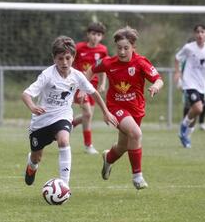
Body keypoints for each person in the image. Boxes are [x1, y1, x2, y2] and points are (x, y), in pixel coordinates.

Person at [22, 36, 118, 190]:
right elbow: (26, 94)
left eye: (68, 58)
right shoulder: (47, 75)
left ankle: (64, 185)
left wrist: (106, 112)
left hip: (63, 116)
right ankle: (32, 165)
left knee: (64, 141)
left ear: (73, 57)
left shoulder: (77, 76)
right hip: (41, 121)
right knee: (36, 156)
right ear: (54, 58)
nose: (64, 62)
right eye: (60, 58)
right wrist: (33, 106)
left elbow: (94, 93)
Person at [86, 26, 164, 190]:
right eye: (119, 48)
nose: (122, 52)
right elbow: (90, 70)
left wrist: (155, 87)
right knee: (136, 134)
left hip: (136, 109)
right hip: (115, 107)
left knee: (123, 146)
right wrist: (82, 89)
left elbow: (158, 79)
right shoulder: (108, 62)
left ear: (133, 47)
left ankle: (108, 158)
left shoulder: (141, 62)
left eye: (126, 48)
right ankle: (137, 176)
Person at [174, 24, 205, 148]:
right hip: (189, 83)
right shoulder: (188, 48)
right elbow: (177, 58)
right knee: (198, 108)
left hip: (201, 84)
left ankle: (186, 136)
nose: (200, 34)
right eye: (197, 32)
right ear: (194, 34)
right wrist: (177, 72)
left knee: (196, 113)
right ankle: (183, 126)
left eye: (202, 32)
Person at [72, 22, 109, 154]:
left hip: (92, 86)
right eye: (93, 34)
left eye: (98, 35)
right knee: (87, 113)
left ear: (102, 37)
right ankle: (88, 146)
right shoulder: (79, 48)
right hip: (79, 84)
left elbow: (102, 68)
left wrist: (102, 83)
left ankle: (72, 123)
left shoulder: (102, 50)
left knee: (88, 116)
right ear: (88, 34)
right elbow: (70, 62)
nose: (95, 37)